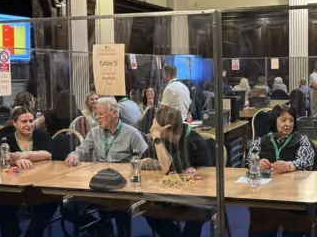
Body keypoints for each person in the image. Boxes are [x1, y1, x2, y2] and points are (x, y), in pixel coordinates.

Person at [65, 97, 148, 237]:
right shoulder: (94, 132)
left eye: (101, 114)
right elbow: (81, 150)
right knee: (67, 208)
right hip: (97, 184)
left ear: (114, 114)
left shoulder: (132, 134)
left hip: (122, 186)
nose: (97, 117)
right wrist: (74, 156)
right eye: (96, 114)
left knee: (122, 207)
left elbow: (147, 159)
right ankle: (101, 228)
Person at [143, 106, 213, 237]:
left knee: (194, 219)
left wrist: (157, 139)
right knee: (146, 208)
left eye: (155, 125)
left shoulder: (194, 142)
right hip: (172, 194)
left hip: (199, 198)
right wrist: (160, 163)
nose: (152, 127)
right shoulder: (165, 140)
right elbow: (142, 160)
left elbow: (168, 170)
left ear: (167, 128)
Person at [247, 104, 315, 237]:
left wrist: (290, 165)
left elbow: (307, 161)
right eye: (283, 120)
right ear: (274, 121)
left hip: (294, 197)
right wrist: (257, 163)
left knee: (293, 229)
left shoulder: (301, 140)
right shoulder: (262, 141)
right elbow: (249, 160)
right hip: (266, 195)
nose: (288, 124)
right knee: (261, 226)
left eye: (291, 120)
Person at [0, 107, 56, 237]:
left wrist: (25, 155)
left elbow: (47, 153)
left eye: (31, 120)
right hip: (16, 184)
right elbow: (5, 157)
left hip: (40, 183)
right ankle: (12, 232)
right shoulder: (7, 140)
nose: (29, 124)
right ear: (14, 123)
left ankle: (33, 234)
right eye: (24, 121)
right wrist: (15, 161)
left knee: (51, 201)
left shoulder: (41, 135)